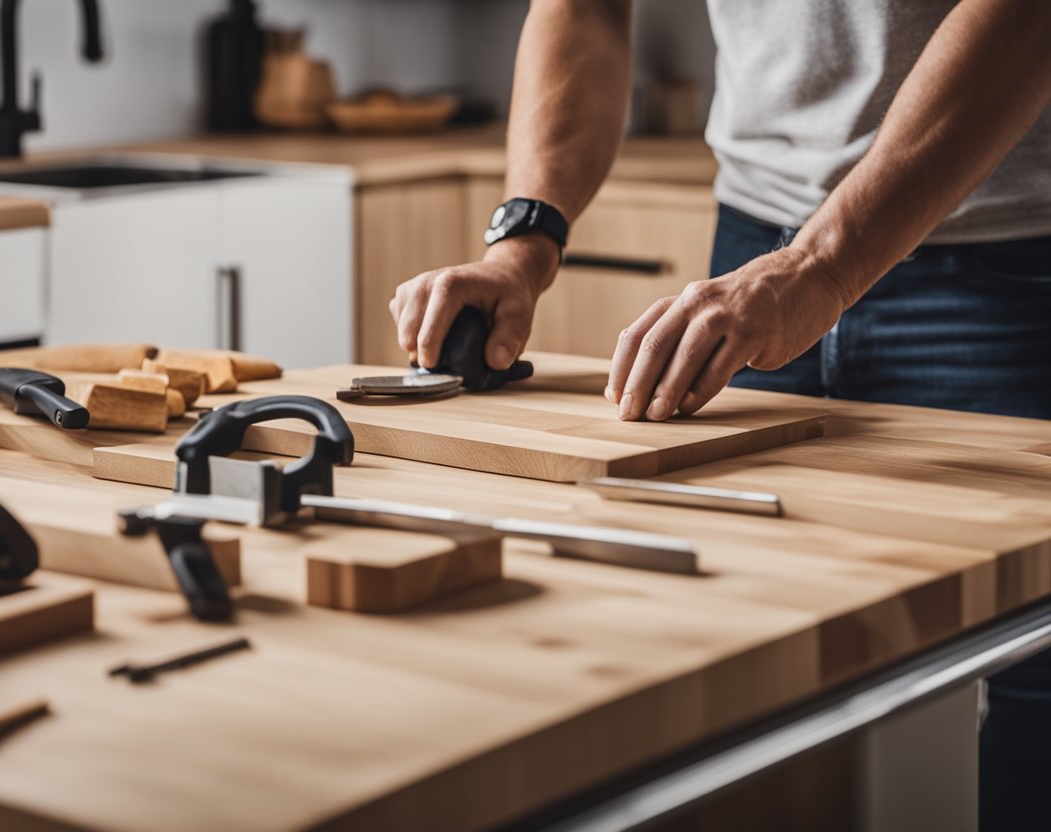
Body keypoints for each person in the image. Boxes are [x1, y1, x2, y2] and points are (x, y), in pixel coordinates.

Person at [387, 1, 1051, 828]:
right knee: (751, 648)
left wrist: (822, 263)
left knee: (1031, 670)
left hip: (1003, 259)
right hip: (756, 254)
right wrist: (525, 240)